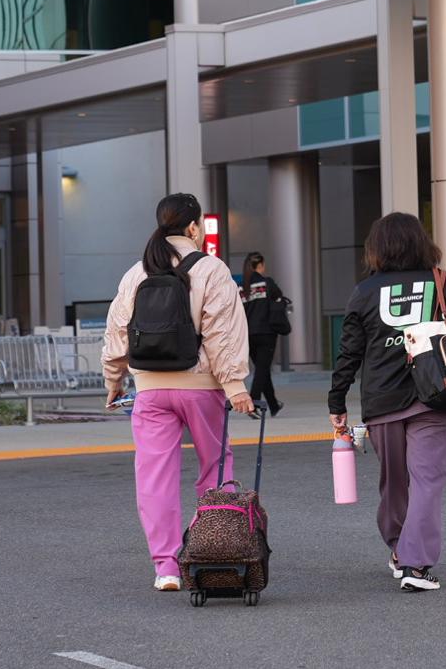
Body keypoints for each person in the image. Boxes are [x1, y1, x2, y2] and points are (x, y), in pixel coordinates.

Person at [103, 193, 253, 592]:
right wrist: (235, 385)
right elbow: (222, 332)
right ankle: (213, 548)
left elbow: (117, 331)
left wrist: (113, 380)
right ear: (192, 227)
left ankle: (166, 567)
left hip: (150, 389)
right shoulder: (211, 269)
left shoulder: (137, 272)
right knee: (215, 467)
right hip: (200, 386)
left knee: (154, 477)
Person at [329, 213, 446, 593]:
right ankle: (412, 560)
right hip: (435, 396)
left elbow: (349, 353)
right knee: (427, 481)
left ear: (377, 248)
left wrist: (336, 400)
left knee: (394, 482)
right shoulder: (441, 281)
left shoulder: (364, 291)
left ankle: (404, 552)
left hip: (383, 400)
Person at [240, 252, 286, 416]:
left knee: (262, 369)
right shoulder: (267, 283)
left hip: (248, 335)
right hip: (266, 333)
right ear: (260, 265)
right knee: (262, 369)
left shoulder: (241, 287)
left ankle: (273, 404)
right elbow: (279, 296)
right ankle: (253, 403)